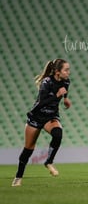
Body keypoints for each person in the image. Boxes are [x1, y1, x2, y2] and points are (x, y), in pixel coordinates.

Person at [12, 59, 71, 187]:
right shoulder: (47, 82)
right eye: (66, 70)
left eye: (68, 69)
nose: (68, 72)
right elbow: (42, 102)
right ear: (57, 72)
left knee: (58, 134)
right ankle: (18, 177)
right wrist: (57, 95)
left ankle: (48, 162)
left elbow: (65, 91)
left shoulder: (66, 81)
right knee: (28, 149)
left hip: (51, 116)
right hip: (37, 116)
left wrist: (66, 99)